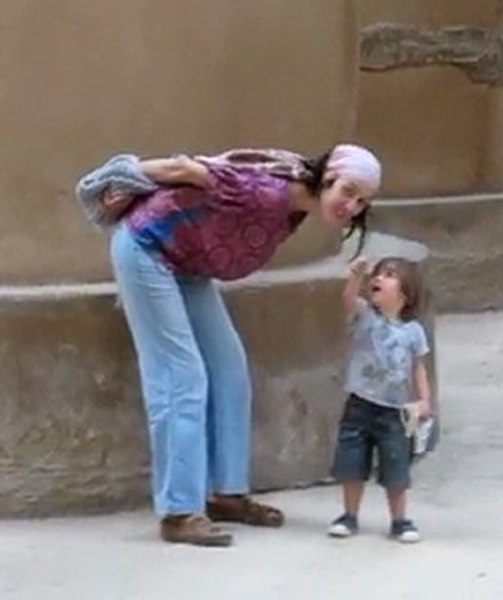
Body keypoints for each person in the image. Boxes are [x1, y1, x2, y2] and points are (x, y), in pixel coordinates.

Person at [94, 144, 382, 547]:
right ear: (328, 177)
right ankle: (179, 512)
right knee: (182, 377)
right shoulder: (268, 194)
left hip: (187, 260)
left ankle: (226, 494)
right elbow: (187, 170)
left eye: (362, 201)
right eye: (348, 191)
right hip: (147, 249)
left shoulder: (297, 190)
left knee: (229, 370)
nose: (352, 206)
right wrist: (118, 175)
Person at [327, 256, 432, 544]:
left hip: (396, 411)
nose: (379, 279)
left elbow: (418, 367)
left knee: (396, 467)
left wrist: (425, 400)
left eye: (389, 275)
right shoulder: (365, 317)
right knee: (352, 464)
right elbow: (349, 299)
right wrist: (356, 277)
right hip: (360, 403)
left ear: (406, 292)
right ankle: (349, 515)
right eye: (378, 274)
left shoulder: (413, 332)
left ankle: (399, 519)